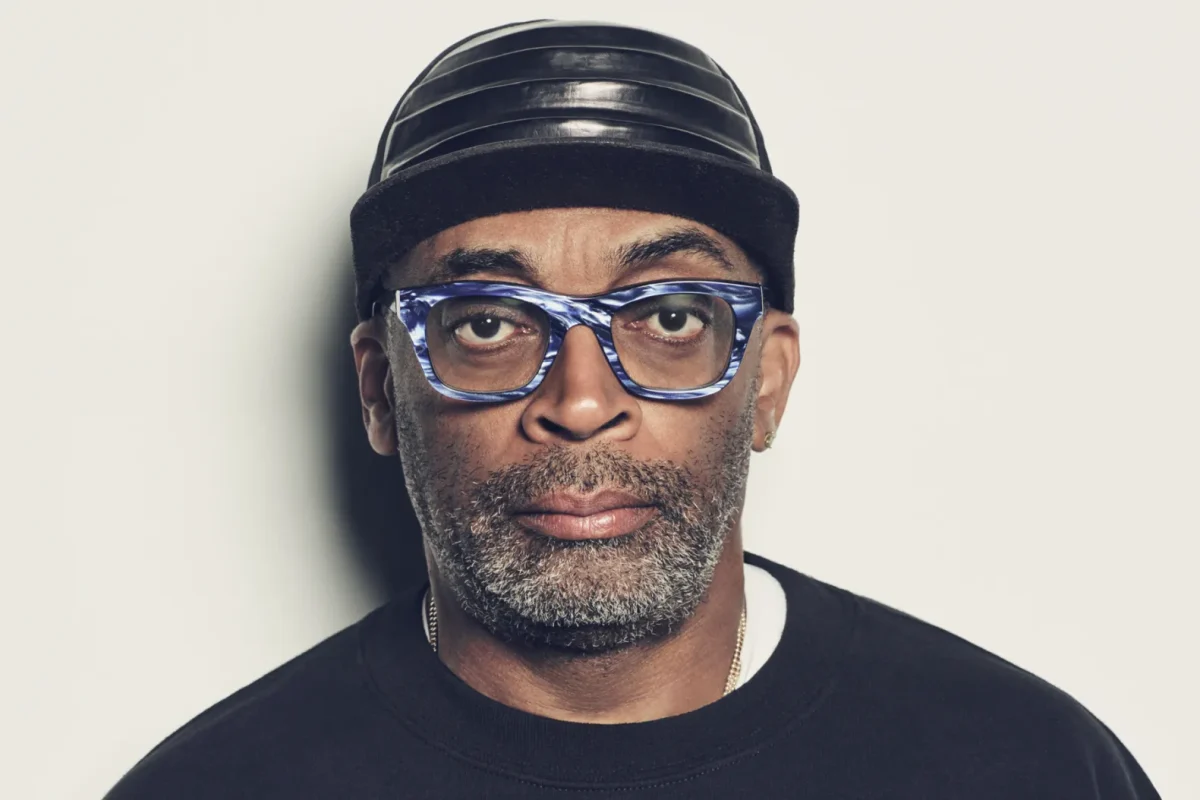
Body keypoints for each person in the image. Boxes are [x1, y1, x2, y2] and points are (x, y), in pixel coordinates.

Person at [104, 19, 1160, 799]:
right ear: (383, 387)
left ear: (767, 379)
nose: (581, 401)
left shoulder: (1027, 768)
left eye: (666, 314)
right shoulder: (214, 788)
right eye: (488, 322)